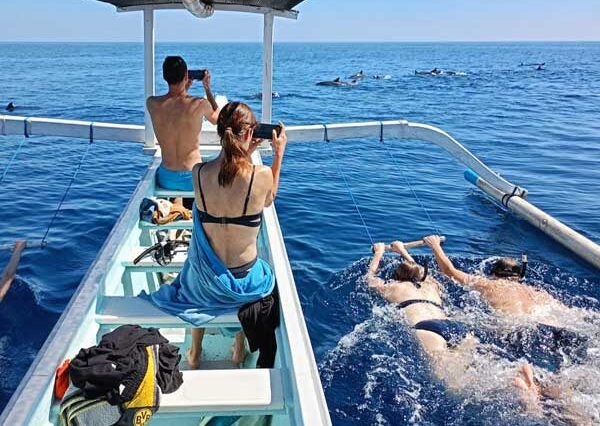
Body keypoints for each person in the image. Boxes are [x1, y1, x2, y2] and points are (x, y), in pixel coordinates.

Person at [366, 241, 592, 423]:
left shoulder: (392, 287)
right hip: (457, 327)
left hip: (427, 328)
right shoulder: (431, 285)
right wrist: (403, 250)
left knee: (455, 385)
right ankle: (532, 386)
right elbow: (422, 272)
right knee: (478, 367)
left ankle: (519, 386)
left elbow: (370, 280)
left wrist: (379, 253)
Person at [146, 101, 287, 368]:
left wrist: (245, 151)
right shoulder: (261, 175)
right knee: (265, 273)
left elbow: (227, 179)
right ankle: (238, 349)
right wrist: (278, 154)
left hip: (203, 284)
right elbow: (268, 198)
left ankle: (194, 352)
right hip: (244, 283)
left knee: (196, 268)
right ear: (250, 133)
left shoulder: (198, 173)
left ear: (221, 132)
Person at [422, 235, 581, 327]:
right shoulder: (537, 293)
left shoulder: (487, 284)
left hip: (511, 326)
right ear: (519, 277)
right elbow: (572, 314)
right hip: (545, 322)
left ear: (493, 274)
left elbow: (449, 271)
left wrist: (435, 245)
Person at [147, 56, 220, 193]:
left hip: (166, 178)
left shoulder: (152, 103)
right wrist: (207, 88)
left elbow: (176, 105)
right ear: (186, 76)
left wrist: (184, 88)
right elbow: (218, 119)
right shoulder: (200, 104)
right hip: (192, 178)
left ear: (164, 77)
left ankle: (177, 203)